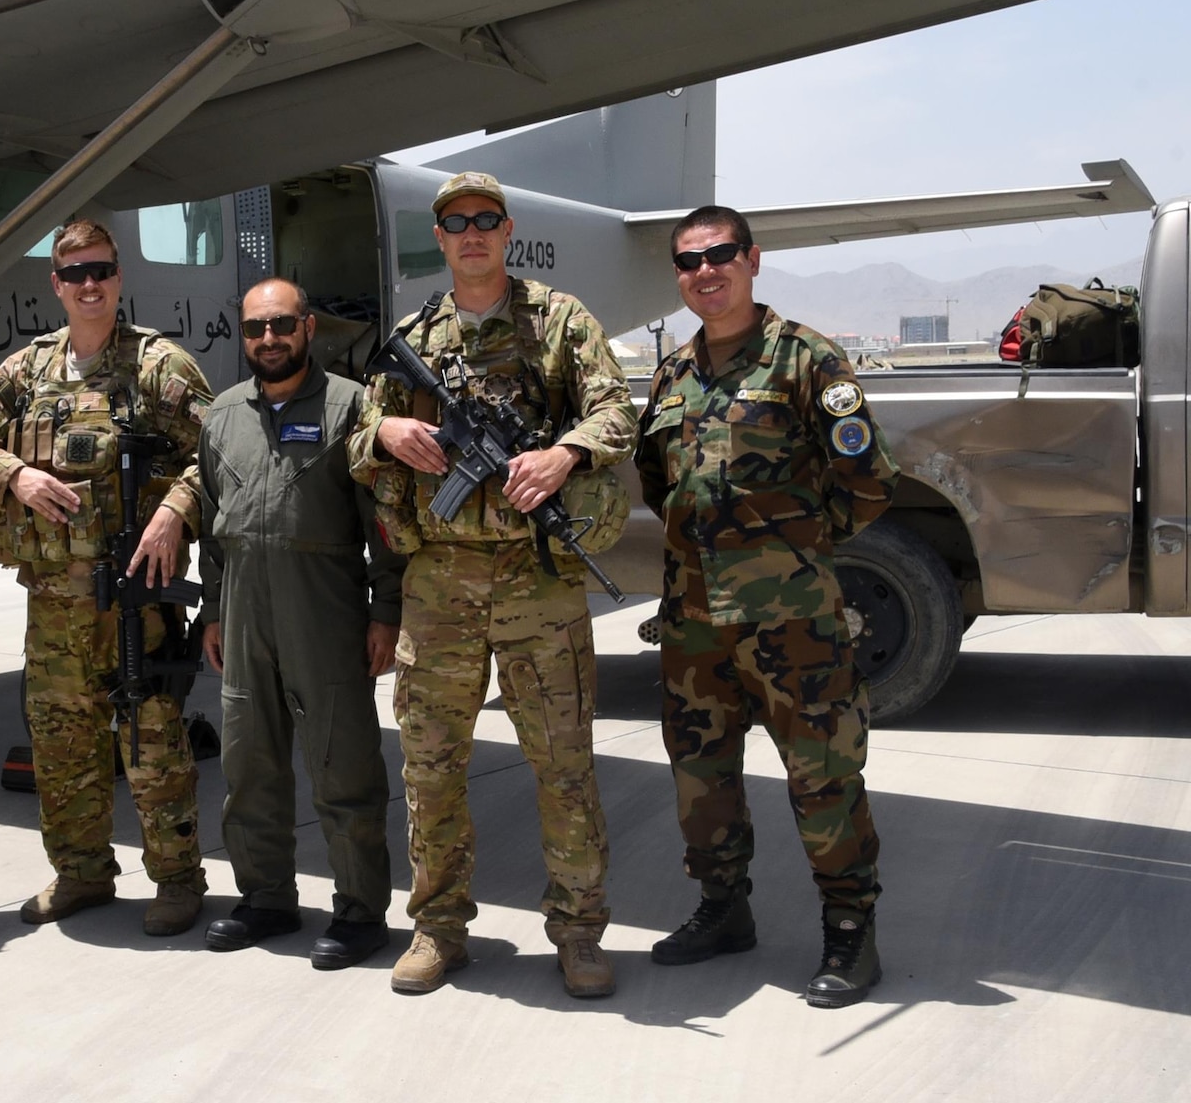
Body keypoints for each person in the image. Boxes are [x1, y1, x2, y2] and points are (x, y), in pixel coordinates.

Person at [350, 171, 636, 998]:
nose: (471, 233)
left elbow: (619, 410)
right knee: (431, 764)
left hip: (538, 582)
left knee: (565, 762)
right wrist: (389, 428)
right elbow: (353, 444)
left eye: (485, 220)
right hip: (439, 584)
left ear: (507, 232)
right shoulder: (414, 336)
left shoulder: (559, 321)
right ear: (438, 239)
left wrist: (564, 454)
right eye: (454, 223)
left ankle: (578, 933)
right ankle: (438, 929)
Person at [634, 206, 895, 1008]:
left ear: (753, 259)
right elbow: (657, 481)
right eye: (688, 261)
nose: (704, 272)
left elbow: (869, 483)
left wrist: (793, 550)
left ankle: (851, 933)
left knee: (822, 775)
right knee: (700, 774)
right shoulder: (672, 375)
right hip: (693, 620)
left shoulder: (807, 360)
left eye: (719, 255)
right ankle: (723, 909)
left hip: (793, 622)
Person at [0, 219, 211, 937]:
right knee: (63, 747)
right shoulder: (28, 370)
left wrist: (174, 513)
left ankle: (179, 879)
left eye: (101, 269)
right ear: (56, 284)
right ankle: (82, 873)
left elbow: (220, 454)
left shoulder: (159, 366)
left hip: (135, 595)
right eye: (74, 274)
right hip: (53, 604)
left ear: (119, 276)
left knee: (152, 741)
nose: (89, 284)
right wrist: (17, 474)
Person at [196, 278, 402, 969]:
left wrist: (386, 614)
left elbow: (386, 524)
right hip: (245, 608)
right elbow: (211, 526)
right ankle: (265, 897)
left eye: (282, 324)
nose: (268, 339)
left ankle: (359, 909)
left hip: (327, 607)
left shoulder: (352, 407)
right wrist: (215, 610)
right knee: (248, 762)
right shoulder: (222, 414)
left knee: (343, 764)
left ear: (308, 327)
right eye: (255, 328)